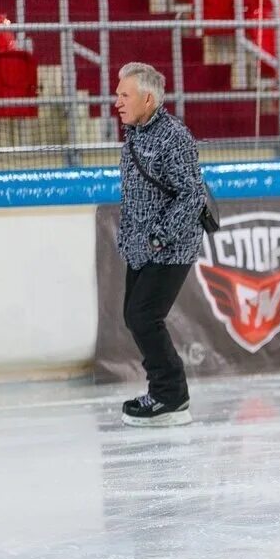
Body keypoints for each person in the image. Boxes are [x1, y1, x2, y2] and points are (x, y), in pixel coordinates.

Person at [115, 62, 205, 427]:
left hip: (170, 248)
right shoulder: (134, 134)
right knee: (134, 316)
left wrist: (157, 237)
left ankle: (170, 396)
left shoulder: (174, 137)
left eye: (124, 95)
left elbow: (191, 196)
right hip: (140, 247)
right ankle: (164, 392)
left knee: (143, 316)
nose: (117, 102)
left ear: (148, 98)